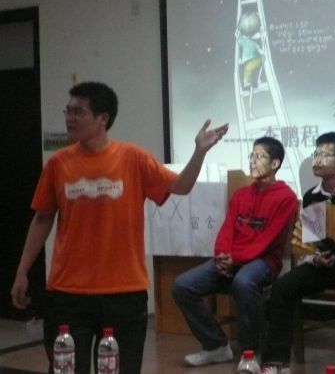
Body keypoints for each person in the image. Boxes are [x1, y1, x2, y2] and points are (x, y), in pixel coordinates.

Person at [10, 81, 228, 374]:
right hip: (68, 291)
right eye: (67, 111)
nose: (69, 118)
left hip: (124, 292)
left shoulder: (133, 158)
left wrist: (199, 152)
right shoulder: (58, 163)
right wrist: (22, 271)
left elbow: (181, 186)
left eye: (78, 112)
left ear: (103, 118)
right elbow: (42, 219)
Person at [260, 132, 335, 374]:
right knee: (282, 288)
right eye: (316, 154)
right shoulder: (312, 196)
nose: (316, 160)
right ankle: (276, 362)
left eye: (324, 155)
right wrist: (315, 258)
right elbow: (309, 242)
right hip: (324, 265)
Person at [172, 136, 298, 366]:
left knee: (244, 282)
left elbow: (268, 240)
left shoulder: (286, 198)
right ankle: (216, 346)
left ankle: (250, 353)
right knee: (182, 286)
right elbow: (228, 228)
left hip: (264, 261)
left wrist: (236, 259)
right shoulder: (242, 194)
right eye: (251, 155)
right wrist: (222, 255)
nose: (252, 161)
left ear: (275, 163)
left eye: (259, 156)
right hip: (231, 259)